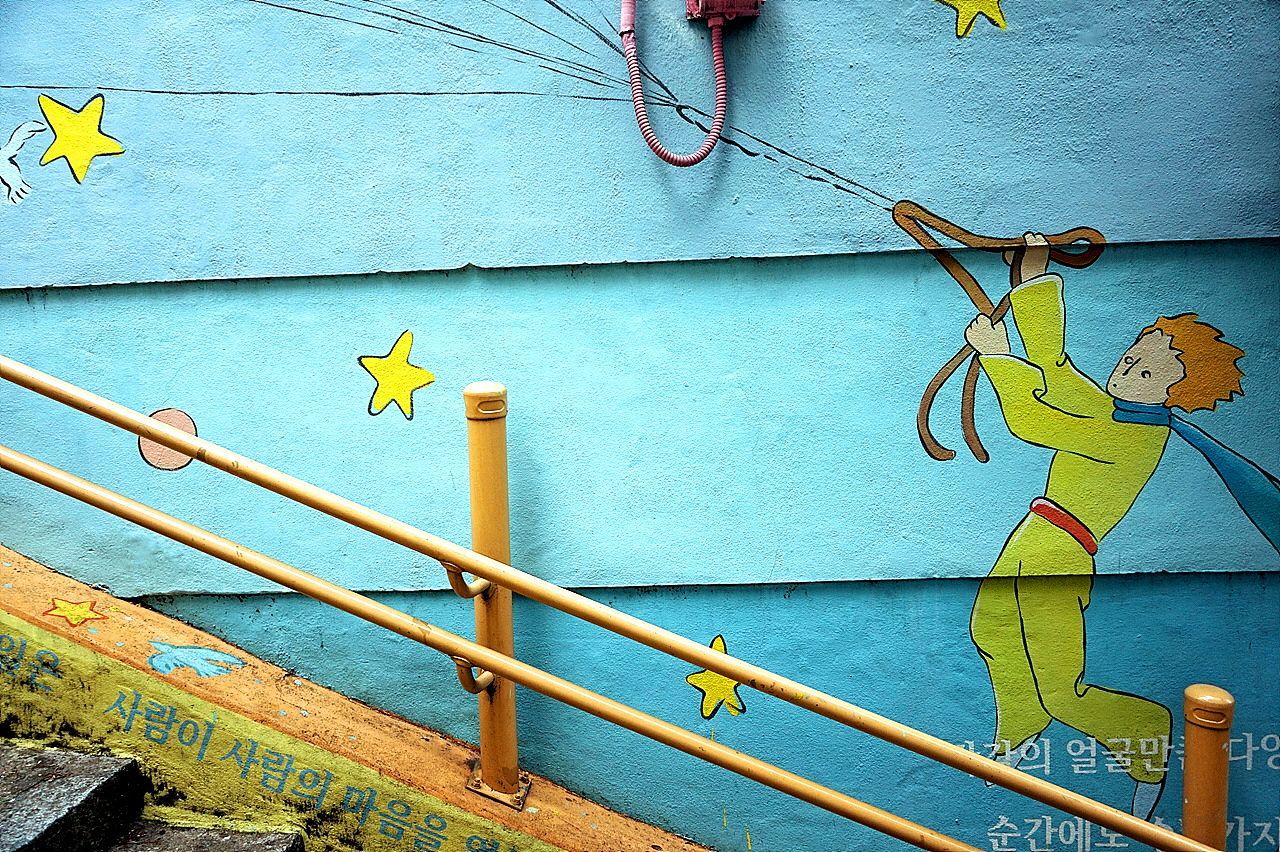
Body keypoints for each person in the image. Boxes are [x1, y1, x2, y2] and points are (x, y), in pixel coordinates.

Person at [964, 232, 1278, 819]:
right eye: (1133, 355)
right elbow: (1055, 370)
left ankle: (1146, 737)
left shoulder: (1136, 434)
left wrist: (998, 358)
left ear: (1171, 393)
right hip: (1032, 539)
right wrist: (1033, 282)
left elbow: (1035, 420)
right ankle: (1019, 730)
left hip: (1061, 554)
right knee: (990, 627)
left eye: (1147, 369)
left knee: (1062, 688)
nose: (1128, 366)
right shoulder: (1110, 408)